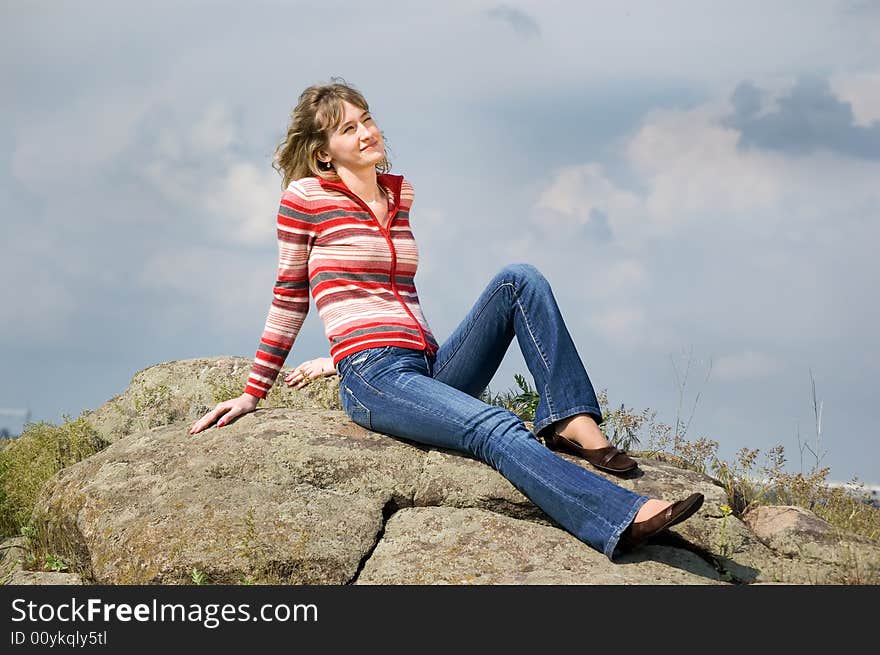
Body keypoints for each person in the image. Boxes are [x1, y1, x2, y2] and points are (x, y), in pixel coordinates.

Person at [188, 79, 704, 560]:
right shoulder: (305, 200)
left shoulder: (398, 194)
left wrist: (331, 354)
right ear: (323, 151)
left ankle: (570, 419)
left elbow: (388, 292)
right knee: (496, 427)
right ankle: (619, 516)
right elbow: (290, 296)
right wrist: (256, 391)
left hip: (427, 365)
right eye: (349, 128)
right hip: (375, 375)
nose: (367, 132)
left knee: (518, 279)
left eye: (366, 119)